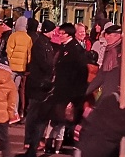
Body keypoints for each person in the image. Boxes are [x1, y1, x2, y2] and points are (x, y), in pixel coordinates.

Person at [46, 23, 89, 153]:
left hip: (68, 91)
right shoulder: (65, 47)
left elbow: (80, 73)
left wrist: (74, 96)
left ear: (69, 35)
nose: (60, 35)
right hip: (61, 89)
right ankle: (51, 145)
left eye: (62, 33)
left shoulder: (75, 49)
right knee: (57, 119)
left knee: (61, 119)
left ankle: (58, 146)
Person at [19, 20, 56, 157]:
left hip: (41, 83)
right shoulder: (40, 44)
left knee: (36, 114)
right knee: (35, 115)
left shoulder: (45, 43)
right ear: (47, 31)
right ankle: (30, 142)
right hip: (38, 84)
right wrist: (53, 70)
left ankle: (33, 142)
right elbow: (44, 63)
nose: (54, 33)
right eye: (52, 30)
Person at [86, 24, 125, 102]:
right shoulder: (108, 51)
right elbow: (101, 74)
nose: (107, 37)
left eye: (110, 35)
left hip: (119, 95)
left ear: (119, 36)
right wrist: (87, 91)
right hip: (107, 92)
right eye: (106, 35)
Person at [7, 15, 32, 116]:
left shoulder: (13, 36)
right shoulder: (28, 38)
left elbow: (9, 51)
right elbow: (29, 54)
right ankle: (16, 112)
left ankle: (9, 111)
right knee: (16, 90)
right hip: (22, 68)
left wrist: (9, 61)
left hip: (12, 68)